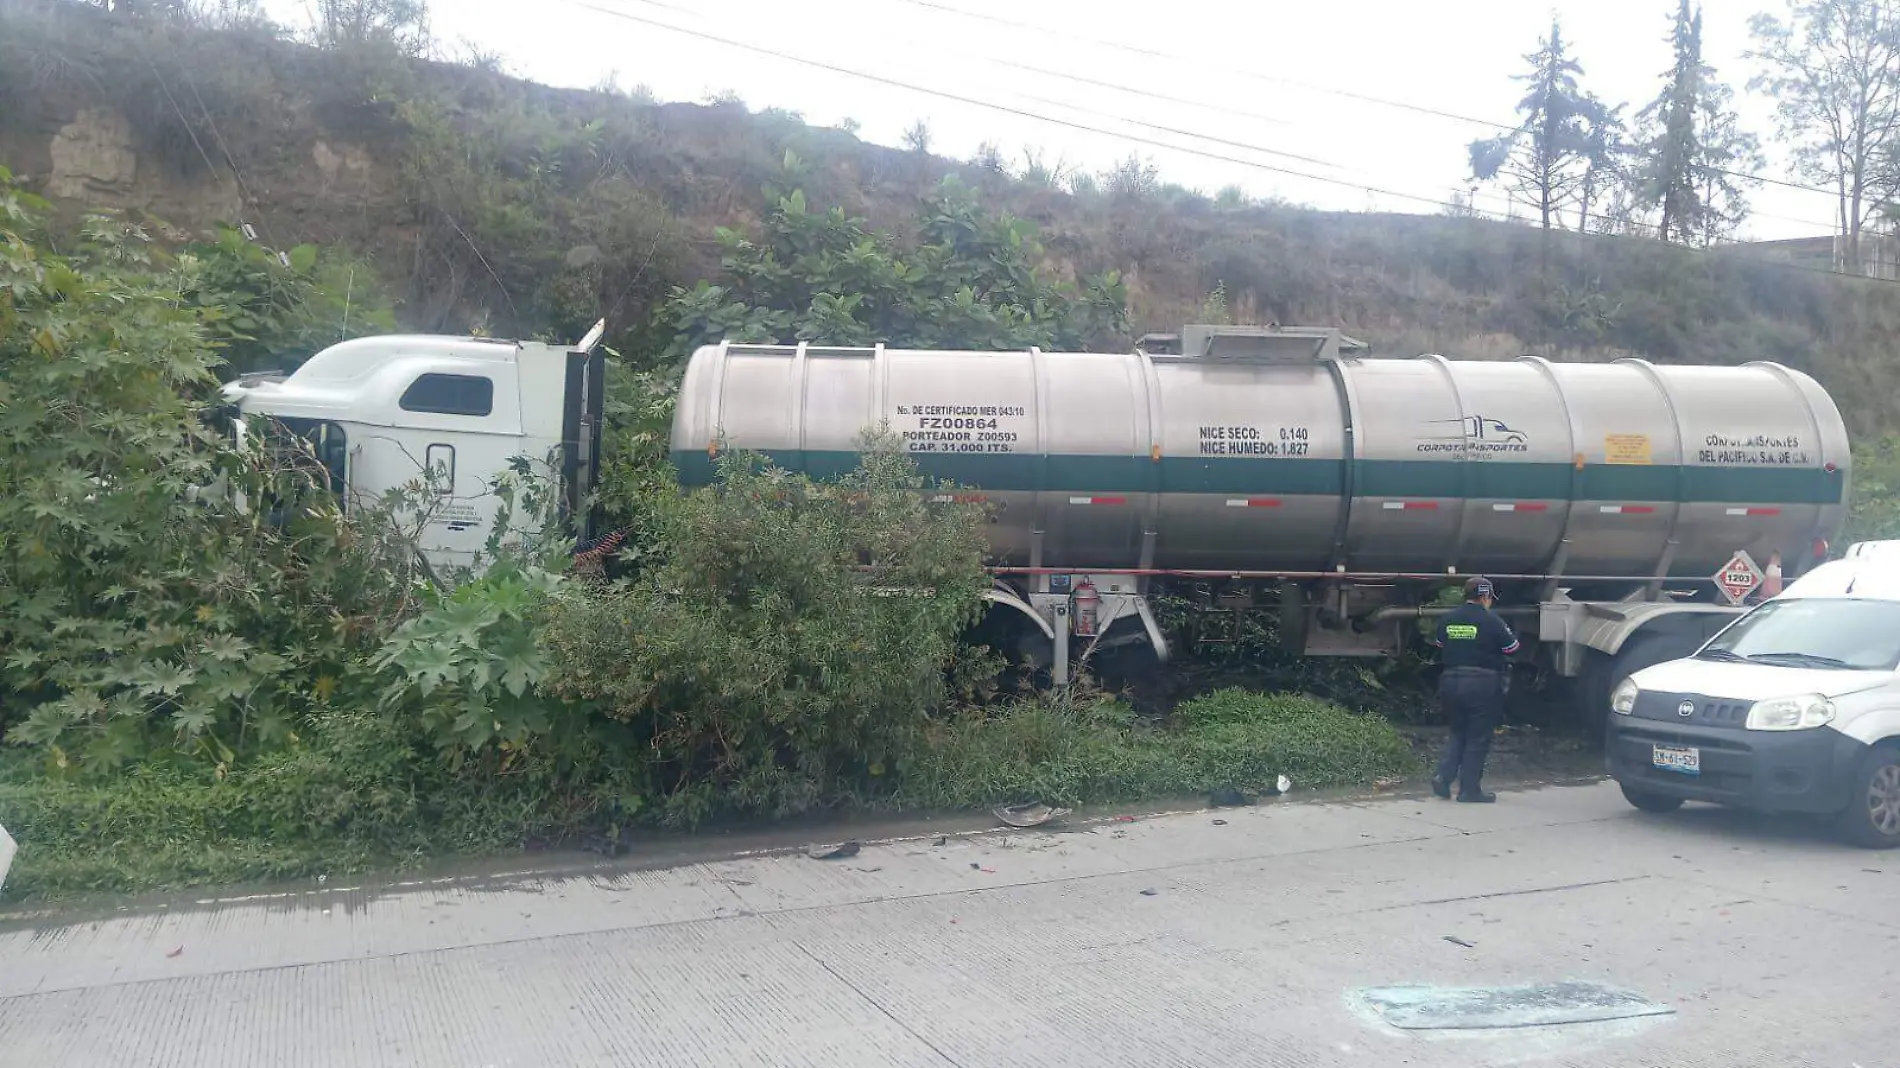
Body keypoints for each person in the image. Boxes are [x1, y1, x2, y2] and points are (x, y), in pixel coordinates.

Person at [1430, 576, 1520, 803]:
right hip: (1482, 683)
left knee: (1458, 731)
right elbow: (1512, 648)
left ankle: (1442, 776)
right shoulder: (1492, 620)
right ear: (1485, 596)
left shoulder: (1448, 618)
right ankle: (1469, 790)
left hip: (1450, 681)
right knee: (1478, 736)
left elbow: (1439, 644)